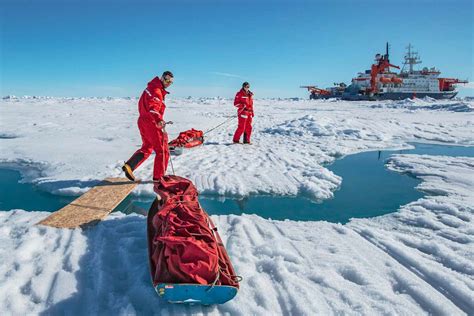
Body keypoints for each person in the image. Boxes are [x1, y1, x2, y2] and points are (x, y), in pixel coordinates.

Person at [122, 71, 174, 182]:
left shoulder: (151, 88)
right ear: (161, 78)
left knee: (147, 147)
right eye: (166, 79)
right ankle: (158, 179)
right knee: (163, 151)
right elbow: (153, 108)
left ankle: (130, 166)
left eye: (171, 81)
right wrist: (158, 120)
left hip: (143, 121)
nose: (168, 82)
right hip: (152, 123)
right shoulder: (156, 91)